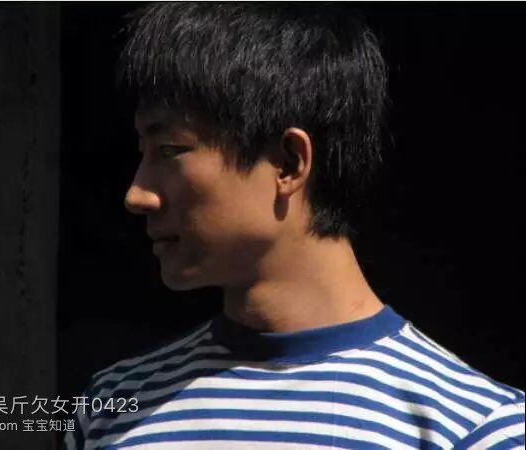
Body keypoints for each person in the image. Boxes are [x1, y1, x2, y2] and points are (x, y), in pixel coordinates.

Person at [63, 3, 525, 449]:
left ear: (288, 163)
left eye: (169, 150)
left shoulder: (476, 429)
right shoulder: (109, 408)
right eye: (142, 154)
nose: (137, 195)